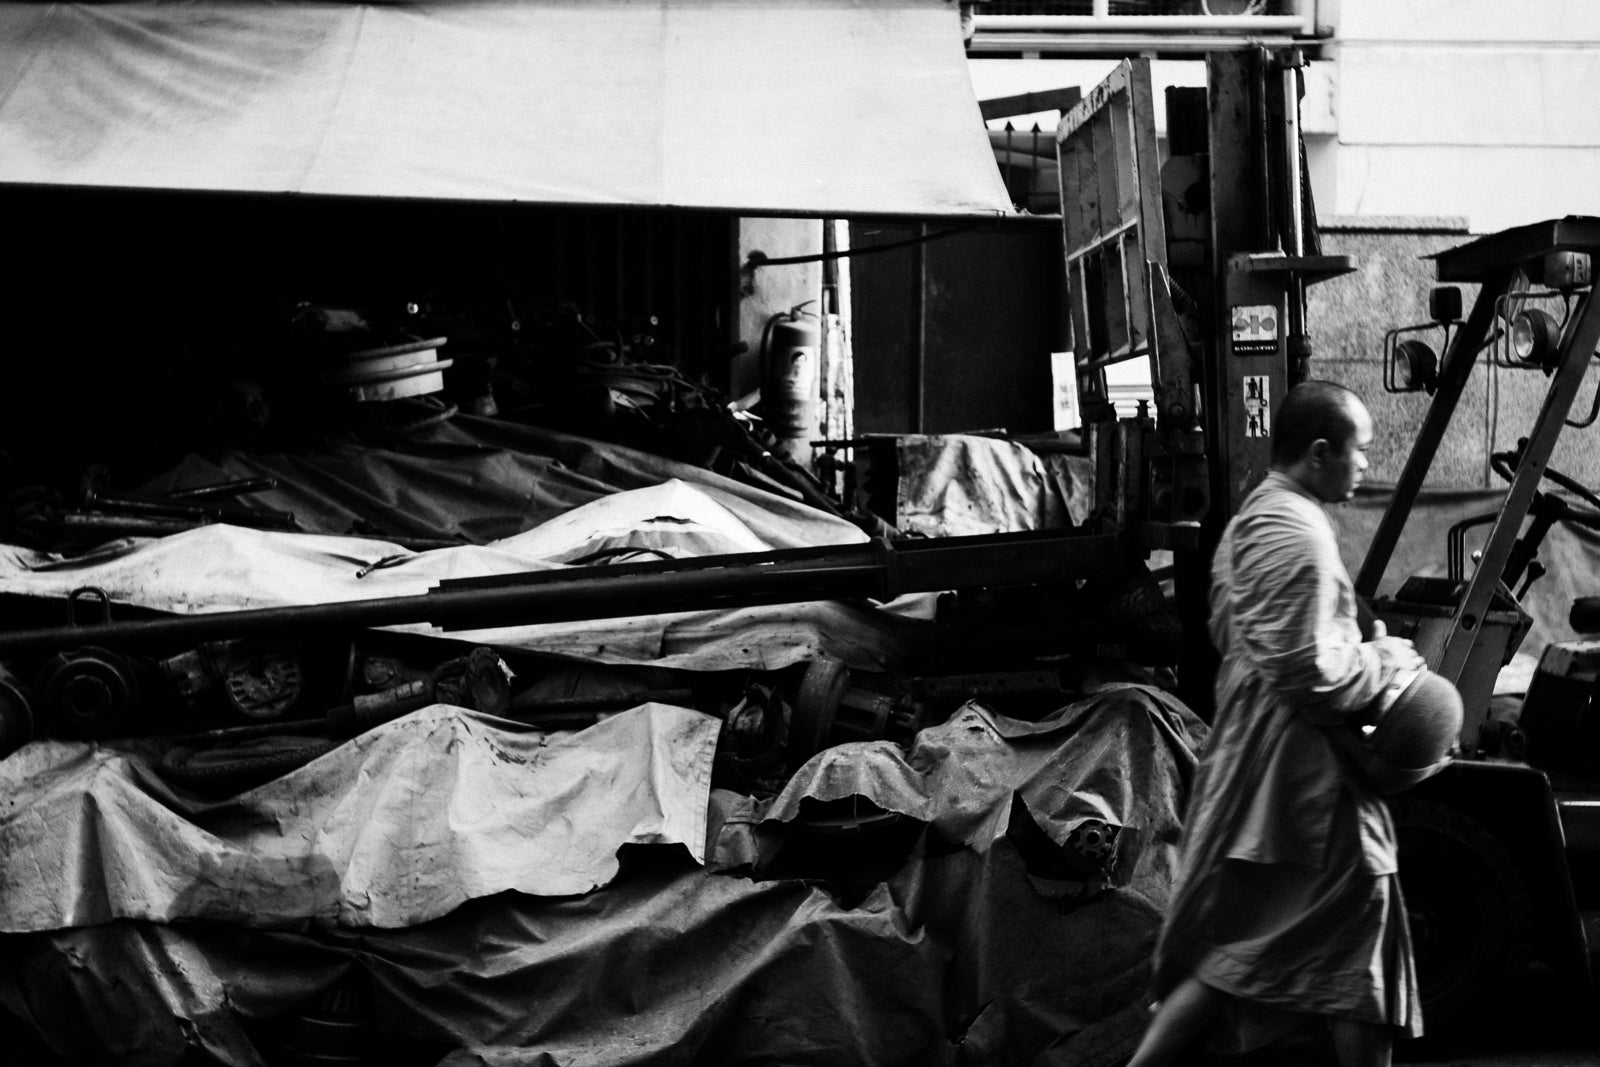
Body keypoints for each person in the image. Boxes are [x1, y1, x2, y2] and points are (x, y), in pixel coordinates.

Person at [1127, 381, 1428, 1067]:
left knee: (1240, 953)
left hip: (1263, 768)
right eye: (1360, 452)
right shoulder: (1295, 535)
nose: (1365, 467)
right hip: (1311, 786)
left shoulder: (1254, 519)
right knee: (1358, 954)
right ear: (1321, 452)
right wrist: (1383, 658)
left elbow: (1235, 631)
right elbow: (1310, 671)